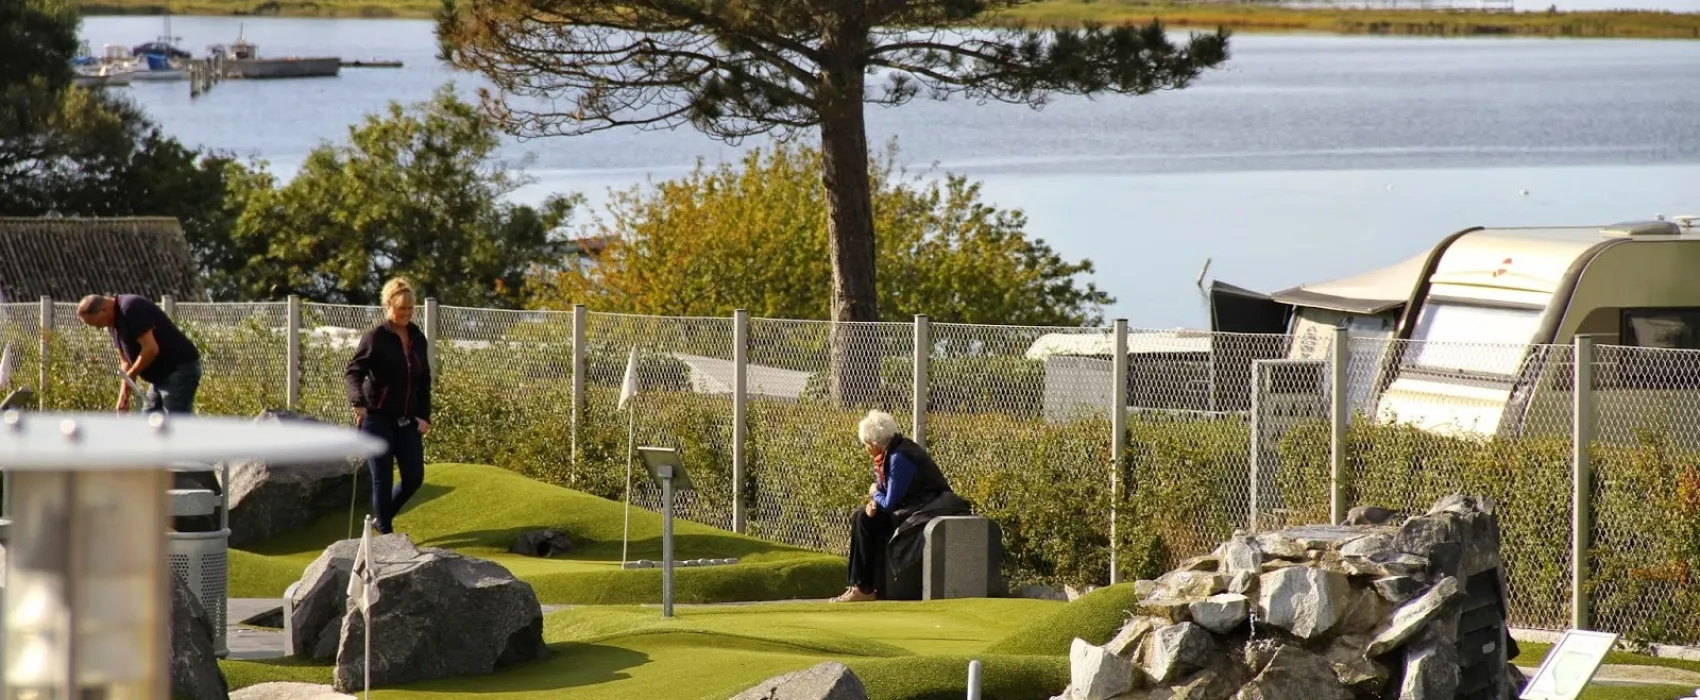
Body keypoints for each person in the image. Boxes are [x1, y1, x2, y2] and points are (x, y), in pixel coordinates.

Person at [832, 409, 972, 603]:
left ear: (874, 444)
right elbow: (888, 493)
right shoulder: (889, 454)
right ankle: (857, 584)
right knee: (860, 516)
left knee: (864, 520)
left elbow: (889, 502)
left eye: (865, 445)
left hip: (925, 510)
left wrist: (874, 493)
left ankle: (864, 588)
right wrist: (874, 502)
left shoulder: (900, 458)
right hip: (911, 508)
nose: (865, 449)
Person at [344, 277, 433, 535]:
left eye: (410, 309)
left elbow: (424, 378)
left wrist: (424, 415)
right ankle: (386, 533)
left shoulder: (418, 337)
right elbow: (353, 372)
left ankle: (380, 520)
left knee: (414, 478)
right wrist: (358, 403)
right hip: (376, 419)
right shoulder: (376, 337)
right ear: (388, 306)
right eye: (401, 308)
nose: (406, 313)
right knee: (382, 479)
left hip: (406, 420)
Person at [76, 294, 203, 414]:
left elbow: (151, 349)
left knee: (175, 425)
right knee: (149, 422)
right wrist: (123, 398)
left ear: (103, 310)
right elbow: (125, 361)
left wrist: (132, 373)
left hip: (179, 370)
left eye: (97, 323)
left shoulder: (131, 308)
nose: (98, 328)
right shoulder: (113, 322)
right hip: (160, 377)